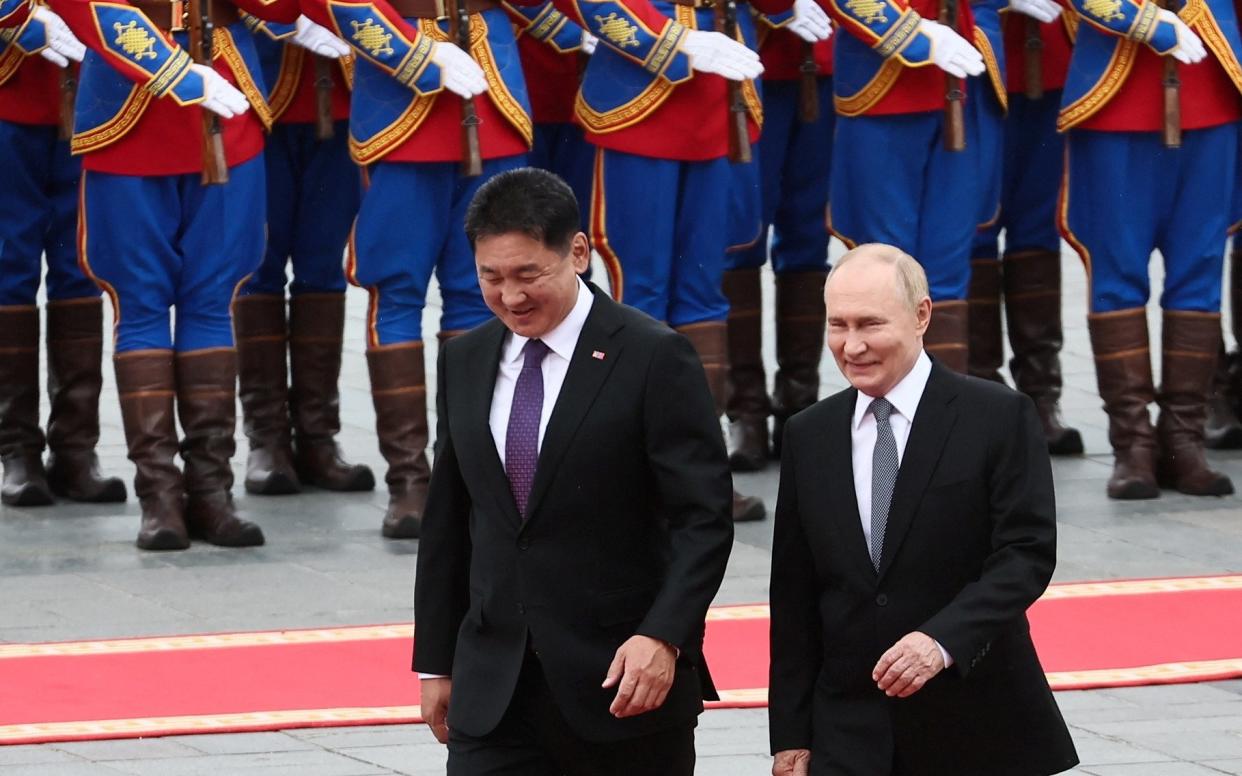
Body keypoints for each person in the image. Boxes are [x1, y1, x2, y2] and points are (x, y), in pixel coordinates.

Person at [413, 168, 733, 774]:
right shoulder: (465, 359)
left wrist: (663, 635)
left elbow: (704, 520)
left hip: (622, 685)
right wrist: (437, 662)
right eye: (491, 277)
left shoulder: (653, 356)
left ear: (578, 253)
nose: (511, 297)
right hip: (495, 693)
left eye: (528, 274)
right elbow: (450, 522)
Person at [768, 243, 1078, 776]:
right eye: (837, 326)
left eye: (870, 324)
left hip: (975, 721)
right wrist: (791, 735)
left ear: (921, 316)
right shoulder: (809, 435)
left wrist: (942, 641)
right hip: (850, 732)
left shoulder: (997, 416)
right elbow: (794, 594)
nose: (853, 345)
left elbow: (1024, 555)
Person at [52, 0, 301, 549]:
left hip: (225, 108)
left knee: (212, 301)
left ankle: (212, 493)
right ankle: (159, 498)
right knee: (140, 306)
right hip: (127, 111)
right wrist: (174, 72)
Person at [1056, 0, 1241, 498]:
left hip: (1212, 82)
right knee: (1117, 277)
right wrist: (1144, 21)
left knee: (1200, 274)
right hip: (1115, 94)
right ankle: (1132, 447)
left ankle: (1185, 443)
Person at [235, 14, 374, 497]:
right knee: (258, 267)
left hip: (340, 99)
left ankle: (318, 437)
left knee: (322, 269)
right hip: (256, 94)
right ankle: (266, 439)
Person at [0, 2, 126, 506]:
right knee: (10, 266)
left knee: (80, 265)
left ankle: (76, 449)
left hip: (93, 92)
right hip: (10, 91)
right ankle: (16, 450)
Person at [723, 2, 834, 472]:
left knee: (810, 237)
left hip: (826, 54)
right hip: (746, 58)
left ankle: (800, 405)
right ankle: (746, 410)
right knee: (742, 236)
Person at [967, 2, 1082, 456]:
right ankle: (982, 395)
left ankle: (1041, 397)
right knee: (974, 227)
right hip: (971, 59)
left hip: (1051, 55)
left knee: (1037, 230)